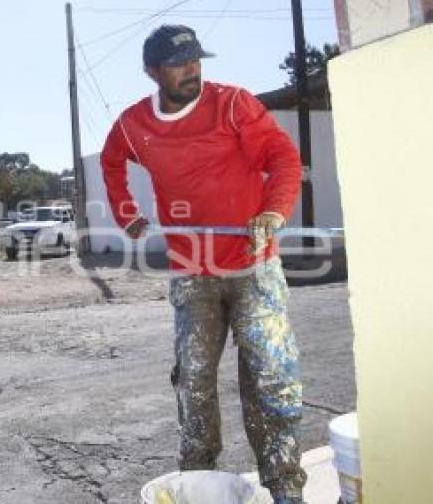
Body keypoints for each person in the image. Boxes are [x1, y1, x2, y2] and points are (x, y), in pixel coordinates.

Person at [100, 25, 305, 504]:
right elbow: (112, 161)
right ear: (153, 71)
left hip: (254, 266)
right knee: (193, 380)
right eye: (179, 62)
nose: (192, 69)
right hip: (193, 274)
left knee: (271, 377)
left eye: (196, 59)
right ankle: (197, 482)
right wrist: (126, 213)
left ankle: (285, 488)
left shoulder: (234, 105)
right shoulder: (134, 125)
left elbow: (282, 157)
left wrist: (273, 210)